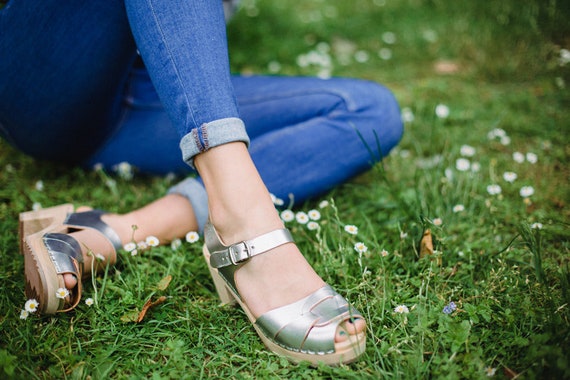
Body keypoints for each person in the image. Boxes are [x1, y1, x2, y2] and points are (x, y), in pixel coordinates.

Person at [0, 1, 403, 365]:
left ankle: (118, 229)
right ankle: (247, 223)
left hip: (154, 86)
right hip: (52, 74)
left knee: (370, 111)